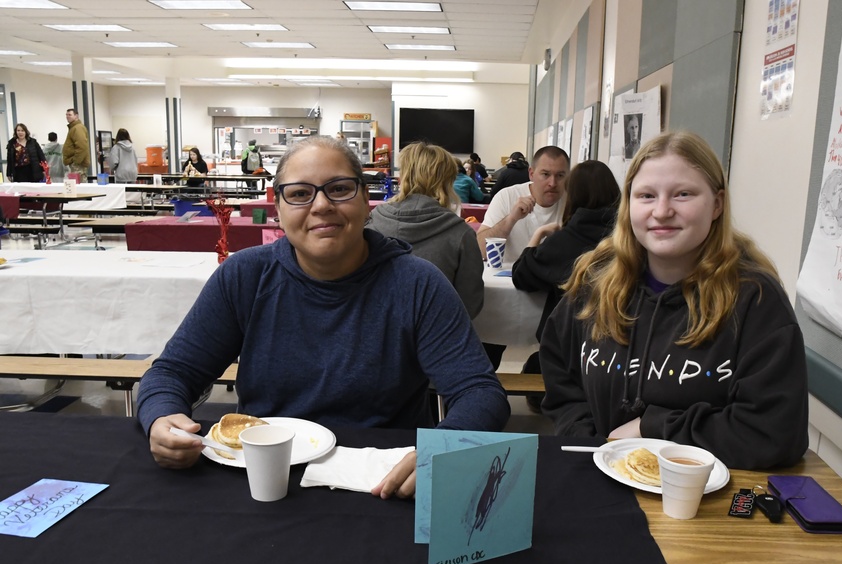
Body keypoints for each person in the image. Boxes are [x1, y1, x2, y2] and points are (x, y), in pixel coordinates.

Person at [136, 135, 509, 499]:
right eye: (300, 194)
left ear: (366, 199)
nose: (321, 206)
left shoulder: (417, 283)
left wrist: (446, 444)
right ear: (277, 209)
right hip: (265, 481)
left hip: (382, 485)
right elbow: (173, 372)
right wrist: (162, 415)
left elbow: (479, 392)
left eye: (339, 189)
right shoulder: (245, 276)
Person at [539, 131, 808, 470]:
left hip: (702, 498)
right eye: (647, 196)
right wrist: (590, 443)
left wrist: (651, 429)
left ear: (717, 204)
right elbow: (560, 374)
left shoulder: (755, 301)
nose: (662, 211)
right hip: (600, 476)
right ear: (628, 205)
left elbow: (774, 434)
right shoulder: (596, 282)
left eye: (683, 194)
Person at [512, 159, 620, 384]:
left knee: (534, 364)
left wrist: (539, 234)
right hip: (619, 348)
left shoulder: (564, 242)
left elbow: (521, 275)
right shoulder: (627, 239)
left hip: (567, 349)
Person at [369, 143, 484, 318]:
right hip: (437, 337)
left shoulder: (370, 224)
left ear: (403, 176)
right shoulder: (460, 233)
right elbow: (470, 304)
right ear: (447, 181)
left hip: (372, 335)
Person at [476, 146, 569, 262]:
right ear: (531, 174)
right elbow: (480, 250)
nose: (552, 183)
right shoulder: (506, 197)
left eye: (560, 175)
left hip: (554, 278)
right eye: (545, 174)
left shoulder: (573, 202)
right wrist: (511, 219)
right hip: (506, 277)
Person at [62, 108, 90, 177]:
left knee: (78, 186)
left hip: (78, 165)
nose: (67, 116)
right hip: (76, 164)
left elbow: (82, 147)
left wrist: (76, 161)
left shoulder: (77, 128)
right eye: (66, 115)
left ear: (76, 116)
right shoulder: (74, 128)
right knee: (75, 185)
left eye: (70, 115)